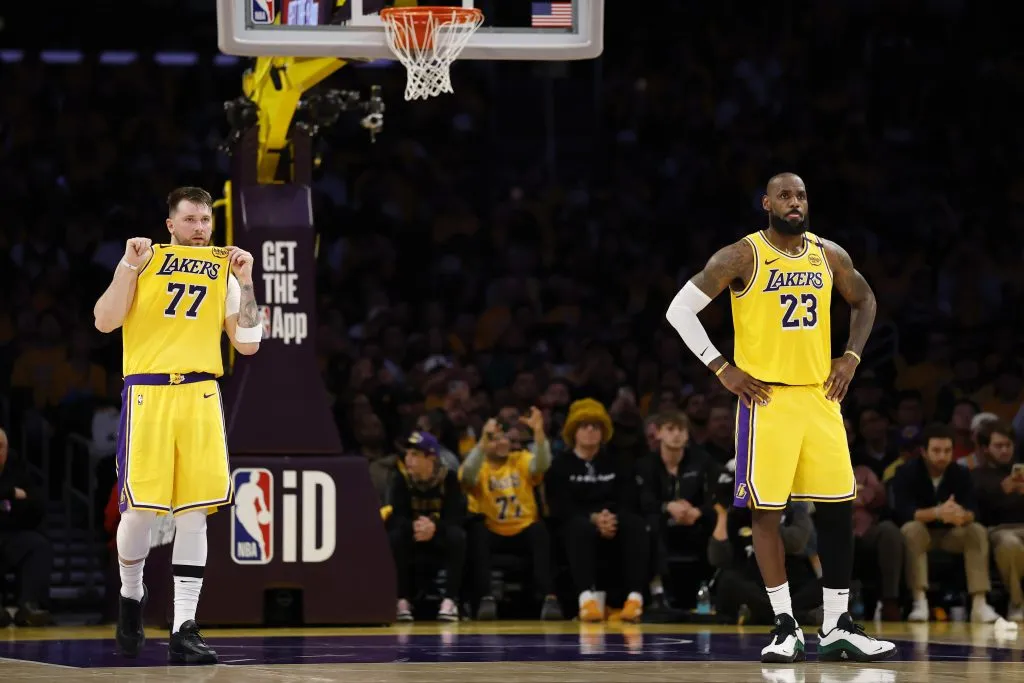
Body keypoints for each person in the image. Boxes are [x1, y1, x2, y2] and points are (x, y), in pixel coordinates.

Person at [665, 173, 896, 662]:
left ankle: (836, 624)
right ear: (766, 203)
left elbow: (866, 300)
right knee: (766, 514)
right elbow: (680, 310)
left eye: (802, 195)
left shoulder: (829, 254)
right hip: (765, 401)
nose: (795, 203)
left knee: (837, 509)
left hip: (819, 397)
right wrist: (721, 368)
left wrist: (851, 358)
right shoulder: (742, 255)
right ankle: (785, 625)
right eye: (785, 196)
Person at [92, 187, 262, 663]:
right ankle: (131, 594)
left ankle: (184, 626)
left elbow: (247, 344)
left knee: (194, 513)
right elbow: (104, 321)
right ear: (171, 224)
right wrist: (128, 265)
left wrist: (246, 281)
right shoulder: (143, 259)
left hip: (201, 393)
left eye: (205, 219)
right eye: (190, 220)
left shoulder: (225, 267)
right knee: (140, 513)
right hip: (148, 393)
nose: (200, 228)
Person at [460, 407, 561, 620]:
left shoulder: (521, 458)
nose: (501, 443)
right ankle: (484, 599)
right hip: (493, 531)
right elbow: (468, 476)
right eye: (494, 439)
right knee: (476, 531)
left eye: (504, 438)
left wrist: (539, 433)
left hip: (524, 530)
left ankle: (549, 598)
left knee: (540, 530)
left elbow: (543, 464)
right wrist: (482, 441)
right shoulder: (481, 466)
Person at [387, 430, 467, 622]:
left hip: (439, 536)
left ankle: (450, 600)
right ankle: (402, 600)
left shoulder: (449, 479)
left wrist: (434, 528)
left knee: (458, 536)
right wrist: (416, 526)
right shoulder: (401, 479)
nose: (408, 459)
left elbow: (456, 516)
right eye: (407, 454)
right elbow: (398, 516)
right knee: (395, 536)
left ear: (431, 457)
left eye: (414, 455)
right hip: (413, 535)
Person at [0, 428, 53, 627]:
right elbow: (18, 501)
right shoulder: (13, 485)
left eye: (0, 447)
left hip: (11, 535)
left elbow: (37, 505)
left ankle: (29, 606)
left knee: (38, 545)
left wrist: (10, 502)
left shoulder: (17, 469)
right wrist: (11, 493)